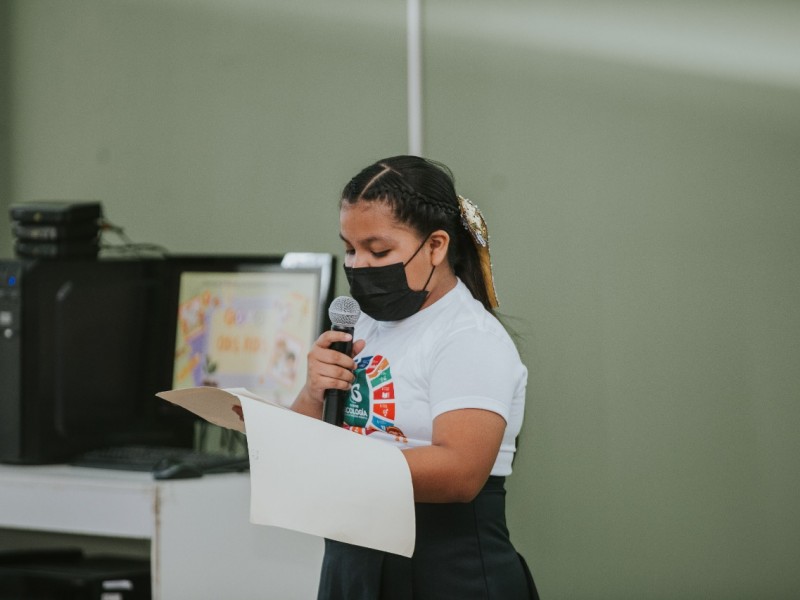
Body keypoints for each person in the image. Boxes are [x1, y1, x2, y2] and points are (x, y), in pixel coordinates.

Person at [291, 155, 538, 599]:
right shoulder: (358, 326)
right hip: (354, 563)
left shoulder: (469, 337)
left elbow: (461, 472)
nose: (359, 265)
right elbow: (304, 448)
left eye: (379, 250)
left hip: (443, 571)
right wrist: (312, 392)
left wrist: (344, 468)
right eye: (350, 248)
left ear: (436, 246)